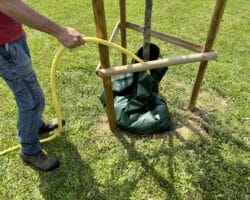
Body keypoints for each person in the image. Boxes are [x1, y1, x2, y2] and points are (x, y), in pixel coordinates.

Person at [0, 0, 85, 171]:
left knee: (27, 94)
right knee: (32, 100)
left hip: (12, 38)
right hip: (4, 46)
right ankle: (29, 150)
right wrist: (60, 31)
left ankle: (35, 126)